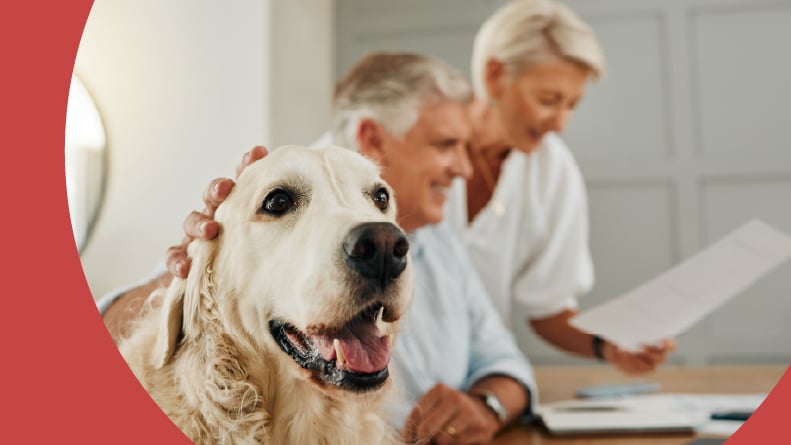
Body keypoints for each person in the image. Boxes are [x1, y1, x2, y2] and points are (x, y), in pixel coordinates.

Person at [99, 52, 536, 445]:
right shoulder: (237, 212)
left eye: (379, 199)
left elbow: (505, 361)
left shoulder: (442, 249)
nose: (463, 167)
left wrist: (486, 405)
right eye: (446, 145)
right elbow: (107, 326)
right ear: (375, 138)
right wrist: (191, 268)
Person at [444, 0, 675, 375]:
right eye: (548, 100)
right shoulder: (411, 133)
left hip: (474, 385)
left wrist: (609, 345)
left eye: (572, 105)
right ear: (494, 76)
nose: (561, 123)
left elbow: (548, 308)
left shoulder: (554, 170)